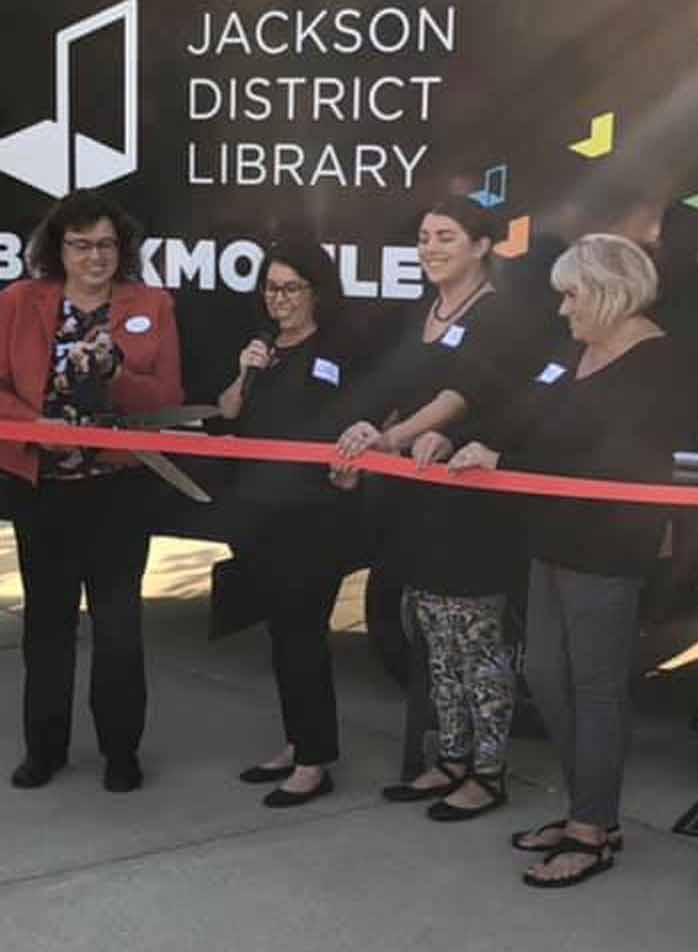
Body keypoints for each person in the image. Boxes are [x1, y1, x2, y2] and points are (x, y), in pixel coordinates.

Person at [449, 234, 698, 886]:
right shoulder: (577, 349)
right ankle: (586, 807)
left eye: (571, 296)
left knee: (594, 687)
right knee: (543, 672)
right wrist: (475, 439)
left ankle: (592, 830)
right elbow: (529, 414)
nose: (562, 310)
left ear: (608, 291)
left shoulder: (659, 362)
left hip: (609, 544)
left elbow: (612, 459)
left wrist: (504, 463)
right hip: (552, 535)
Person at [0, 189, 183, 794]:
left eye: (107, 245)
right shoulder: (20, 301)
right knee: (47, 624)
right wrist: (37, 428)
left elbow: (165, 397)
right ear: (57, 247)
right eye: (81, 244)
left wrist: (118, 374)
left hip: (118, 490)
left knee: (118, 627)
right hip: (42, 489)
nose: (95, 257)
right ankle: (45, 748)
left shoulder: (152, 304)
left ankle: (121, 752)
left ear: (124, 249)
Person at [334, 198, 530, 821]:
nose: (431, 248)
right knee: (435, 641)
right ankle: (448, 758)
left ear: (481, 245)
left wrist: (389, 440)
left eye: (446, 236)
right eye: (423, 237)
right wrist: (368, 430)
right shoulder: (422, 311)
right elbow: (394, 389)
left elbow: (456, 397)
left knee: (478, 643)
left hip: (473, 506)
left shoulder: (502, 314)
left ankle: (488, 771)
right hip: (419, 501)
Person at [220, 239, 363, 807]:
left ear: (317, 292)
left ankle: (314, 761)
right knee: (281, 634)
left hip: (314, 517)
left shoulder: (338, 350)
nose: (278, 300)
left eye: (290, 288)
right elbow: (226, 413)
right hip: (259, 514)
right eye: (270, 288)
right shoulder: (262, 350)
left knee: (304, 634)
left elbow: (363, 416)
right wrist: (242, 372)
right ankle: (296, 740)